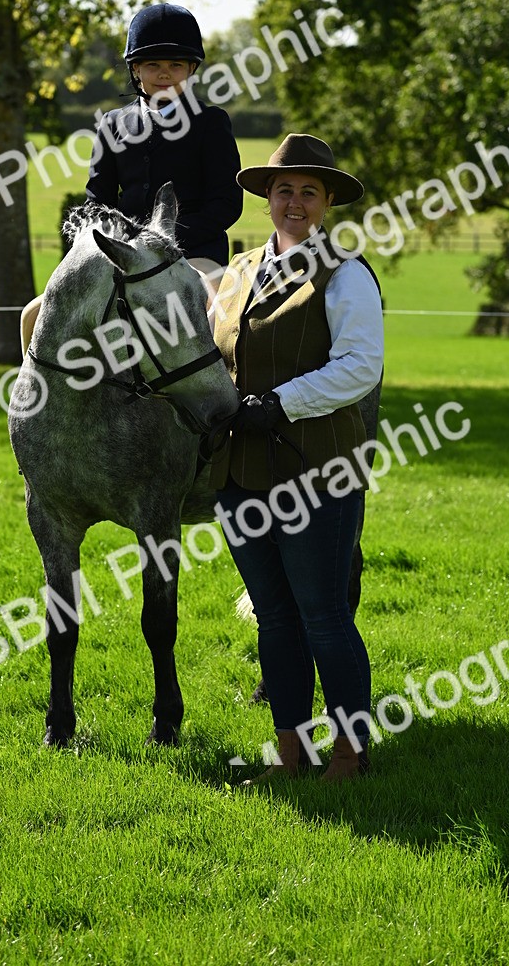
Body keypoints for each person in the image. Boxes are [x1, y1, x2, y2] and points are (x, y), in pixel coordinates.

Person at [210, 133, 384, 782]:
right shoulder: (238, 272)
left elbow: (359, 368)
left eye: (309, 191)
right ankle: (292, 753)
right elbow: (213, 356)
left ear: (328, 201)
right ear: (267, 198)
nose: (295, 201)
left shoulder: (346, 274)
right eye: (284, 189)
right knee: (276, 619)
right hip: (241, 477)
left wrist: (278, 403)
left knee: (324, 615)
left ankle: (350, 755)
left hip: (320, 475)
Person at [20, 2, 242, 356]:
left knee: (216, 312)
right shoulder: (112, 123)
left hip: (193, 254)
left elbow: (226, 204)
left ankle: (224, 399)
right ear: (136, 69)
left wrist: (160, 243)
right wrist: (123, 243)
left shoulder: (211, 122)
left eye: (175, 65)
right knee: (34, 314)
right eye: (153, 64)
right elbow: (98, 200)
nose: (164, 73)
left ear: (191, 69)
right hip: (123, 254)